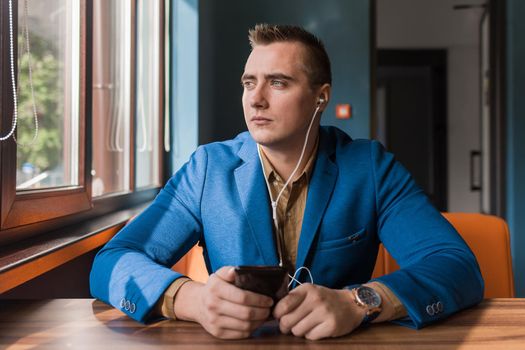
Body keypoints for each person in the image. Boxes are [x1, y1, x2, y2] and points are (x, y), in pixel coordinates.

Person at [90, 23, 484, 340]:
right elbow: (111, 262)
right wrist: (190, 299)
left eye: (277, 82)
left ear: (320, 97)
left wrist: (360, 301)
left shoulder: (370, 167)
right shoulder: (207, 168)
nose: (256, 99)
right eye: (248, 83)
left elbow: (456, 266)